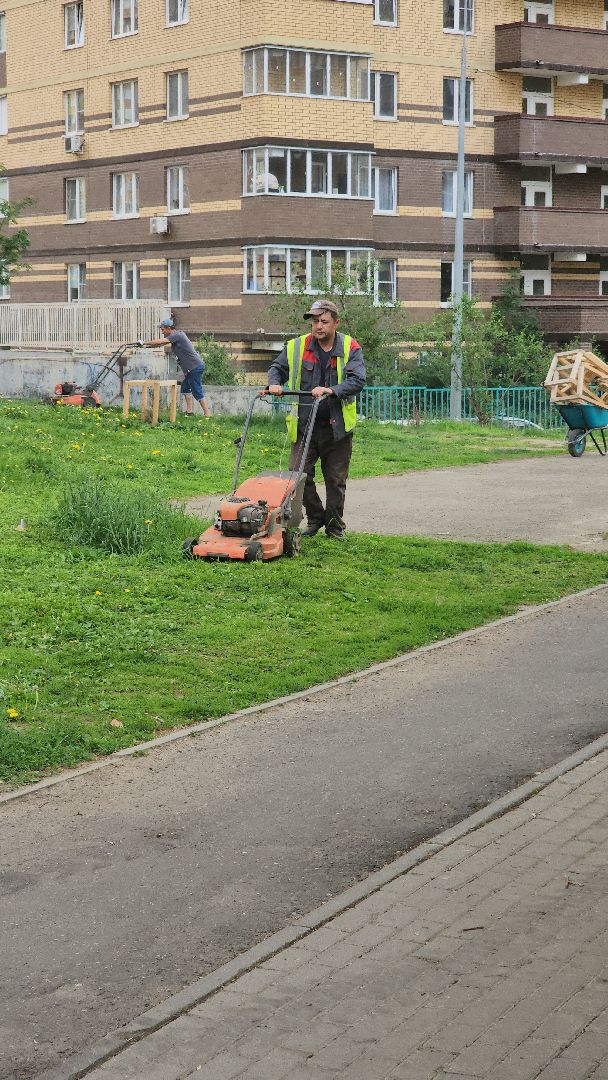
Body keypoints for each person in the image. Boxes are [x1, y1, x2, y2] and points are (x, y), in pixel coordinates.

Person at [264, 299, 366, 540]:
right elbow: (276, 368)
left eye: (323, 321)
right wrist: (274, 383)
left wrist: (332, 390)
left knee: (335, 480)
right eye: (314, 321)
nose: (318, 326)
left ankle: (334, 526)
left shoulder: (351, 347)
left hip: (337, 428)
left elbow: (358, 380)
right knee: (297, 475)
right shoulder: (296, 347)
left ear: (335, 323)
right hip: (304, 426)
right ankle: (316, 516)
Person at [140, 319, 212, 417]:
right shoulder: (174, 338)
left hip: (195, 366)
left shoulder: (178, 335)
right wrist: (143, 347)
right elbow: (159, 344)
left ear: (169, 328)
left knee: (196, 390)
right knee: (185, 388)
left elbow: (160, 341)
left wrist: (144, 342)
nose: (162, 332)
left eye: (163, 329)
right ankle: (189, 412)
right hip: (190, 368)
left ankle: (208, 414)